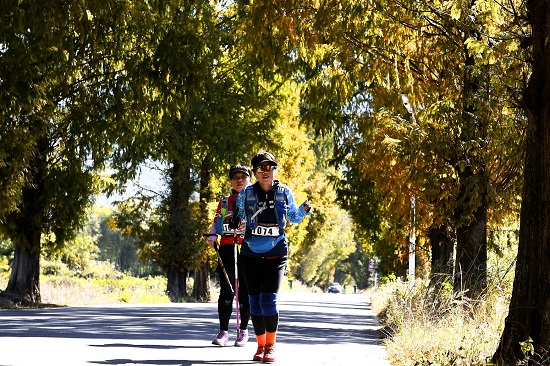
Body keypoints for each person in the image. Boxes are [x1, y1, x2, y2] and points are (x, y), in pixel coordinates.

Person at [229, 150, 311, 363]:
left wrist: (303, 210)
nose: (265, 172)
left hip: (276, 252)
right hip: (250, 254)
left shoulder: (284, 192)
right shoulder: (246, 193)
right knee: (254, 302)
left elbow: (293, 217)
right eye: (260, 168)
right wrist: (237, 221)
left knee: (269, 301)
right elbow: (238, 215)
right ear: (254, 172)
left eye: (269, 167)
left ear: (274, 169)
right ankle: (260, 346)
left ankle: (271, 346)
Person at [207, 164, 252, 347]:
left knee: (245, 292)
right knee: (226, 290)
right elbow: (217, 220)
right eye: (235, 177)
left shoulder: (255, 199)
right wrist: (212, 234)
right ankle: (223, 331)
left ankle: (243, 331)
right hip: (227, 248)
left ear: (249, 179)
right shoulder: (225, 201)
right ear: (231, 181)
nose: (239, 180)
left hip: (248, 249)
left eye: (243, 177)